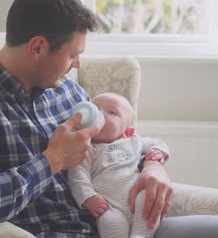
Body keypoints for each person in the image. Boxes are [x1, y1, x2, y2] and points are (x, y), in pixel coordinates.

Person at [0, 0, 218, 238]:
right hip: (53, 232)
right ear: (37, 47)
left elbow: (119, 141)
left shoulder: (65, 89)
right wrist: (52, 161)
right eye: (72, 55)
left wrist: (153, 164)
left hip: (115, 225)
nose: (77, 65)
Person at [68, 93, 170, 238]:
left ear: (127, 131)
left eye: (111, 112)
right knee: (111, 223)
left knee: (147, 201)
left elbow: (157, 143)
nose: (100, 115)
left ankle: (141, 235)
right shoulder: (86, 147)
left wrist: (156, 152)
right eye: (95, 109)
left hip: (136, 196)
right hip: (109, 205)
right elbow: (77, 176)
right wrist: (88, 197)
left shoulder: (134, 140)